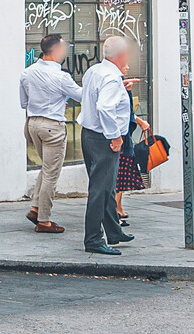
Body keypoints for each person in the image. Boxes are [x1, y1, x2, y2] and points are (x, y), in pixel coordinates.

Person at [19, 34, 84, 234]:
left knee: (46, 168)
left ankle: (35, 207)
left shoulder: (27, 72)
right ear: (55, 51)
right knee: (51, 174)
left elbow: (24, 103)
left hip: (32, 124)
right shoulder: (61, 76)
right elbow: (82, 96)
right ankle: (44, 220)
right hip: (52, 126)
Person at [77, 36, 135, 255]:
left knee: (106, 186)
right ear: (121, 56)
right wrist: (115, 137)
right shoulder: (111, 78)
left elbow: (92, 98)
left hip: (89, 134)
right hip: (104, 139)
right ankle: (93, 239)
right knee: (100, 189)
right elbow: (104, 107)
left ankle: (113, 230)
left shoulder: (96, 71)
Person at [114, 97, 154, 230]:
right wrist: (140, 121)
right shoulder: (115, 84)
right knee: (119, 178)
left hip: (123, 139)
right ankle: (114, 215)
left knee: (122, 176)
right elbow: (124, 112)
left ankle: (118, 209)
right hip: (120, 139)